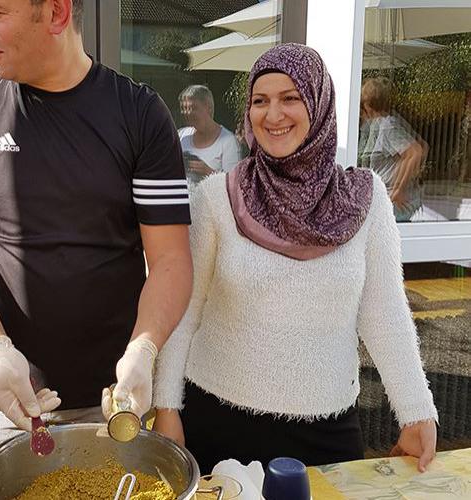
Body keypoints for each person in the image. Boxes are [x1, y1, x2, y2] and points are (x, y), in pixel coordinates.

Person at [0, 0, 193, 495]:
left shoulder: (140, 113)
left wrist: (144, 348)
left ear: (55, 13)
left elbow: (171, 260)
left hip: (109, 410)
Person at [152, 44, 438, 475]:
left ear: (319, 104)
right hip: (216, 421)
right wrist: (167, 407)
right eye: (260, 101)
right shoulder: (218, 197)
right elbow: (185, 310)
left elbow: (385, 312)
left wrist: (416, 410)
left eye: (290, 98)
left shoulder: (366, 200)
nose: (273, 115)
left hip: (326, 430)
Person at [358, 77, 426, 222]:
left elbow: (416, 152)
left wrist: (399, 189)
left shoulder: (387, 126)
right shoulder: (378, 125)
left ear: (368, 105)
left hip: (393, 203)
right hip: (383, 200)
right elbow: (423, 145)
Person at [178, 85, 241, 185]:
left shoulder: (228, 142)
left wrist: (208, 172)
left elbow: (233, 184)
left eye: (192, 108)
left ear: (209, 108)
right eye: (183, 108)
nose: (187, 113)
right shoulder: (181, 135)